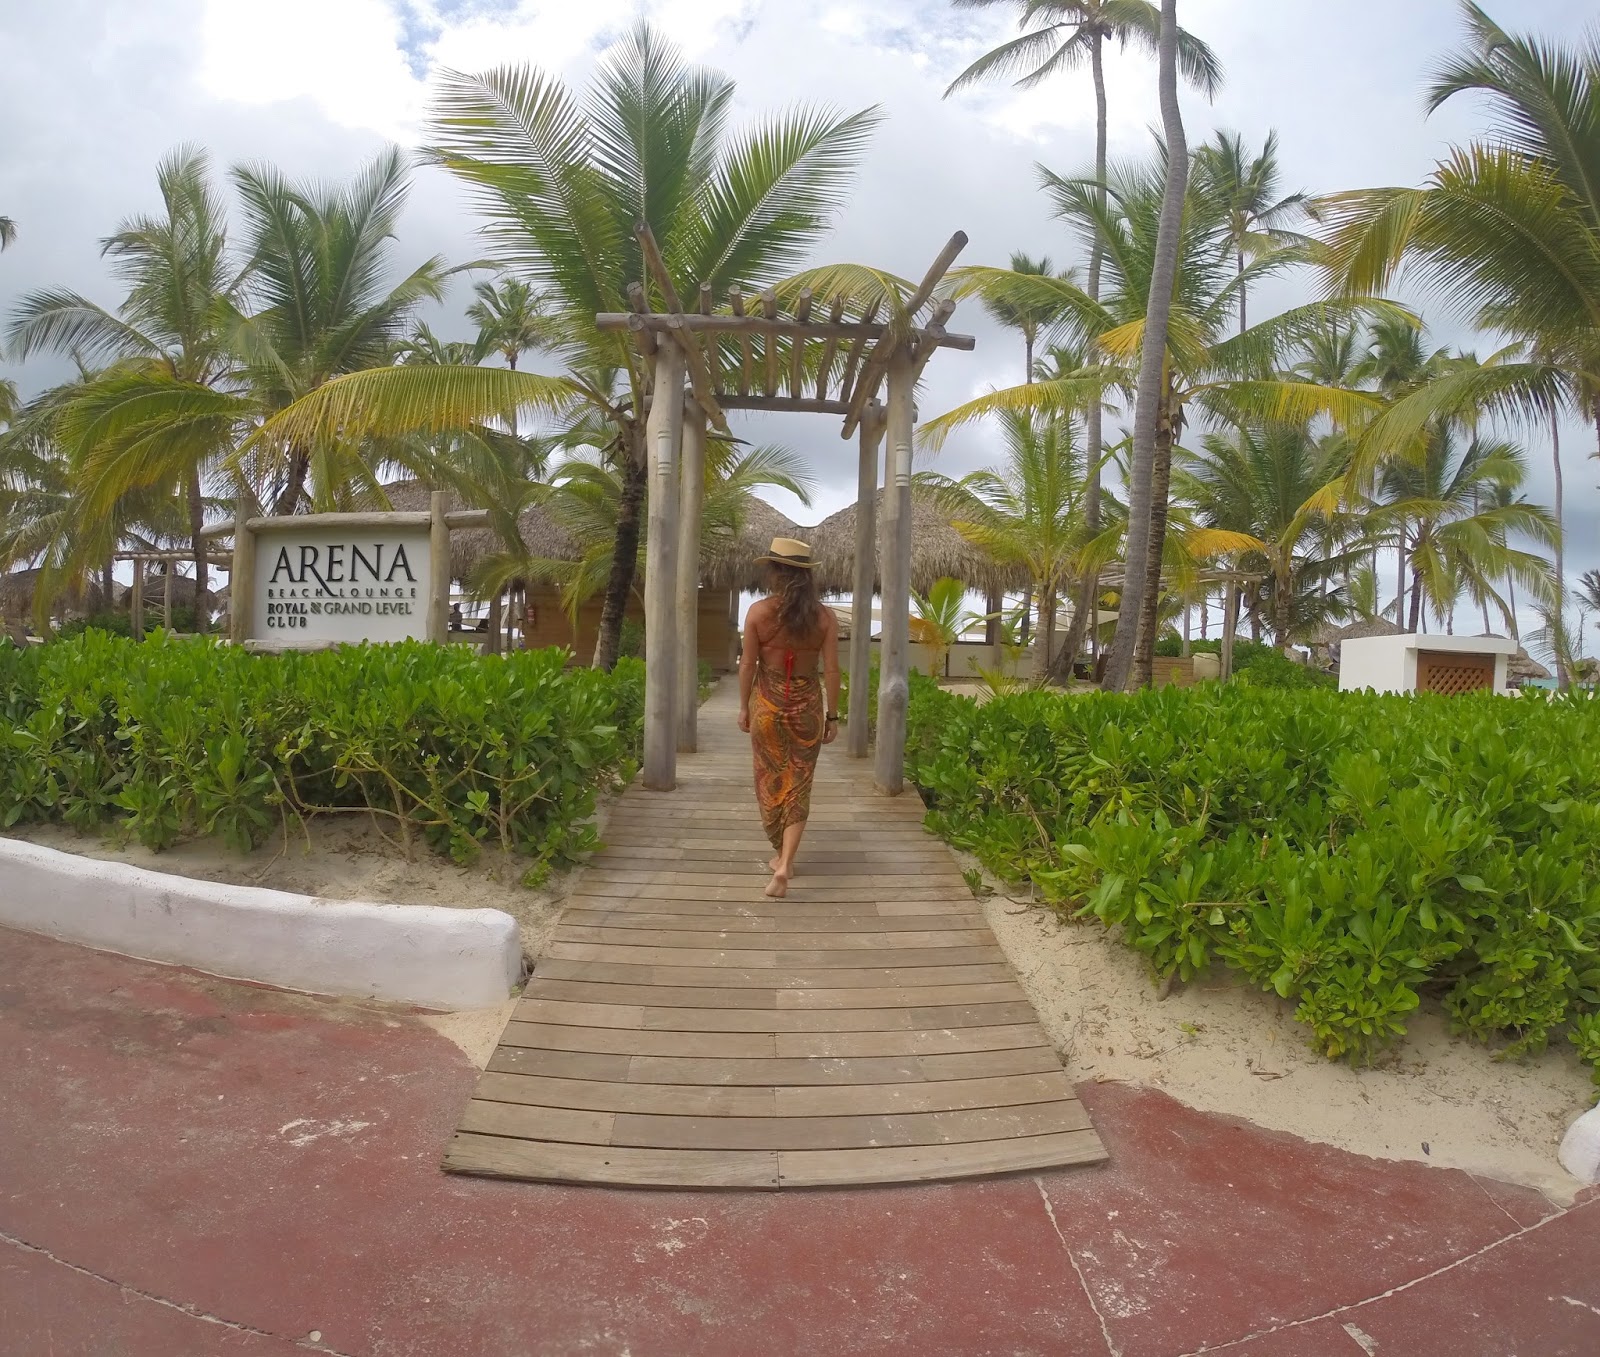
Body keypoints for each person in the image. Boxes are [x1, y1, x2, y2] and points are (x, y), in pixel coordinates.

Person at [738, 538, 841, 898]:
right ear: (806, 576)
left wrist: (743, 706)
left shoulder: (758, 613)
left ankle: (780, 855)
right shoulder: (824, 618)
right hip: (807, 708)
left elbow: (747, 665)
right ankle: (785, 863)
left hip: (767, 706)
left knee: (769, 777)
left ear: (774, 572)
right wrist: (832, 716)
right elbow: (832, 671)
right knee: (799, 783)